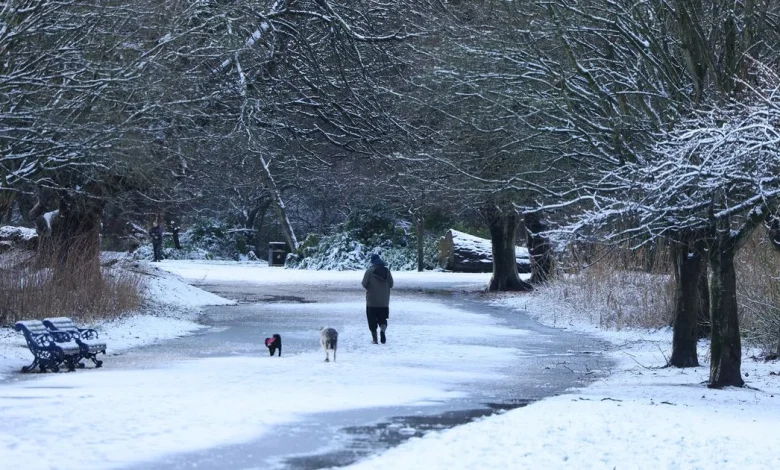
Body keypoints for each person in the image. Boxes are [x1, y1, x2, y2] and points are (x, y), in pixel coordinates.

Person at [362, 253, 394, 344]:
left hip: (371, 301)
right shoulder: (387, 271)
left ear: (372, 262)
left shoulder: (369, 271)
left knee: (372, 321)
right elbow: (391, 284)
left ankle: (375, 339)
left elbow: (364, 284)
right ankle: (382, 330)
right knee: (383, 319)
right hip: (384, 302)